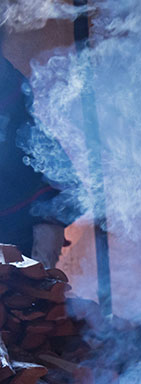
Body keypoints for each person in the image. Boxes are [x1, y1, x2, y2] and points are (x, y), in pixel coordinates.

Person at [0, 30, 81, 267]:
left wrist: (52, 219)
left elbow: (41, 149)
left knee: (35, 290)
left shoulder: (11, 90)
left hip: (28, 223)